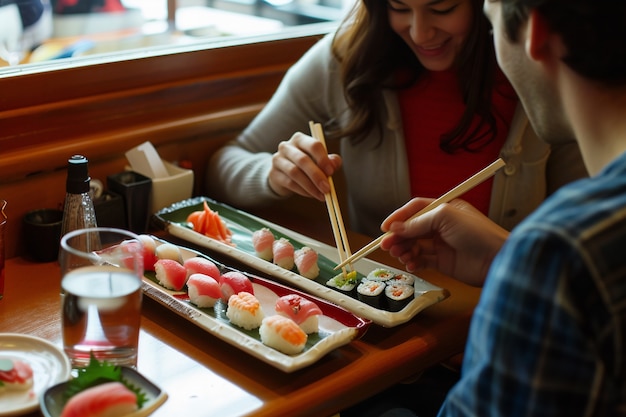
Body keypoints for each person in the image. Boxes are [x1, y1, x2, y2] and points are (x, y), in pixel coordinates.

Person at [372, 0, 626, 415]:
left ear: (535, 34)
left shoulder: (559, 252)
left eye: (492, 26)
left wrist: (527, 267)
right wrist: (510, 258)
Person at [206, 0, 587, 238]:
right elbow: (225, 165)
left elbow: (582, 223)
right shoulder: (347, 59)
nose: (420, 32)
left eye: (442, 8)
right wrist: (274, 175)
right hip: (382, 327)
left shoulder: (536, 73)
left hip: (493, 316)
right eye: (399, 7)